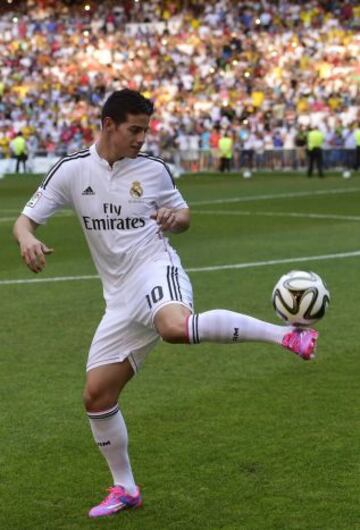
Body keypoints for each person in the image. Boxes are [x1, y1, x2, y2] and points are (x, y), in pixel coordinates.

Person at [13, 89, 318, 519]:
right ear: (108, 125)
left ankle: (286, 334)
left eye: (145, 130)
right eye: (134, 130)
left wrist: (176, 219)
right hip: (118, 298)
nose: (141, 138)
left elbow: (184, 215)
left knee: (176, 327)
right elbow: (25, 221)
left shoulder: (153, 170)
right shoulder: (71, 171)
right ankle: (125, 488)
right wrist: (27, 238)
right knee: (96, 396)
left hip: (155, 270)